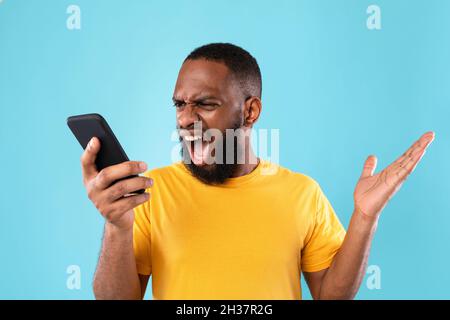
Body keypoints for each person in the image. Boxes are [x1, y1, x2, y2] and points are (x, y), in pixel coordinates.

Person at [80, 43, 435, 299]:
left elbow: (332, 296)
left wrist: (364, 217)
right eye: (179, 104)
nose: (186, 118)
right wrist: (117, 226)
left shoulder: (302, 194)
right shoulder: (148, 194)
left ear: (250, 112)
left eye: (205, 103)